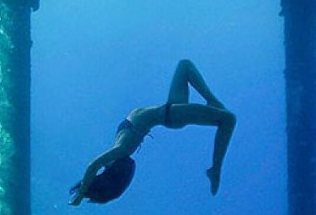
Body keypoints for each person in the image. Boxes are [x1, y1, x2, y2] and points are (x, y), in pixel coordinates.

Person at [69, 59, 236, 205]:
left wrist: (84, 192)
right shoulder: (122, 150)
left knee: (185, 65)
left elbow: (95, 168)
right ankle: (215, 169)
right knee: (228, 119)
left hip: (169, 108)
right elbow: (92, 165)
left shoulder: (113, 157)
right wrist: (81, 193)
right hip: (170, 115)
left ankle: (212, 101)